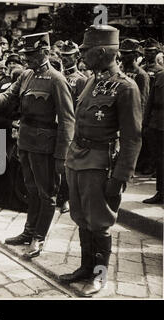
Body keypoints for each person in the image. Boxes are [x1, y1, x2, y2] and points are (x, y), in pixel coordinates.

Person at [58, 25, 142, 297]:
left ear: (104, 52)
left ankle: (99, 276)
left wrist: (119, 178)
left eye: (86, 50)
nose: (82, 54)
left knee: (100, 222)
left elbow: (132, 138)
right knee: (81, 217)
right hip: (78, 160)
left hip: (100, 164)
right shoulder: (91, 81)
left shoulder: (126, 88)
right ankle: (85, 267)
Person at [0, 32, 75, 259]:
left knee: (47, 193)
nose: (28, 58)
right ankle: (28, 231)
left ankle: (39, 237)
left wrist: (61, 155)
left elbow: (67, 119)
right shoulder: (26, 75)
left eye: (33, 54)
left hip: (45, 144)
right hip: (25, 140)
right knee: (31, 189)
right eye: (26, 54)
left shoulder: (57, 79)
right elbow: (10, 95)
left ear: (45, 52)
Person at [58, 40, 89, 214]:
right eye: (63, 56)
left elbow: (80, 107)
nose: (64, 59)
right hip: (55, 124)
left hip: (71, 126)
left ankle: (66, 198)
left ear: (77, 57)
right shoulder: (57, 76)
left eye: (68, 56)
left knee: (67, 163)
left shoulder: (81, 80)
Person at [119, 39, 151, 175]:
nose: (123, 56)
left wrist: (141, 121)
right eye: (122, 53)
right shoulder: (120, 72)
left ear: (135, 55)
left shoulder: (141, 75)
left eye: (127, 54)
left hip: (133, 115)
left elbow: (143, 100)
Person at [142, 69, 164, 204]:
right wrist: (145, 124)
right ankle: (161, 192)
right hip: (156, 124)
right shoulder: (160, 75)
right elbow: (150, 101)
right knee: (160, 161)